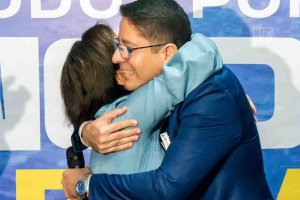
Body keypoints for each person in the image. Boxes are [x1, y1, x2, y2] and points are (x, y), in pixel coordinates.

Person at [62, 0, 273, 199]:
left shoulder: (211, 97)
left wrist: (87, 184)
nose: (116, 58)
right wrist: (84, 134)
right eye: (118, 45)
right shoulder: (159, 93)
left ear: (167, 54)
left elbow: (167, 188)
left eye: (128, 48)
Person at [61, 22, 222, 175]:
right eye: (121, 48)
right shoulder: (133, 111)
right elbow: (203, 54)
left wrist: (83, 133)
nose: (123, 55)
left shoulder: (105, 121)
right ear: (119, 75)